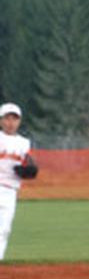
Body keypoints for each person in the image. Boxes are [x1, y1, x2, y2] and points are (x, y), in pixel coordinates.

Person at [0, 102, 38, 260]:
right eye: (7, 118)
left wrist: (30, 170)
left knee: (4, 229)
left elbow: (29, 164)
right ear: (1, 120)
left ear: (19, 121)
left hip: (10, 191)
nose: (10, 122)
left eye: (14, 119)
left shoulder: (24, 143)